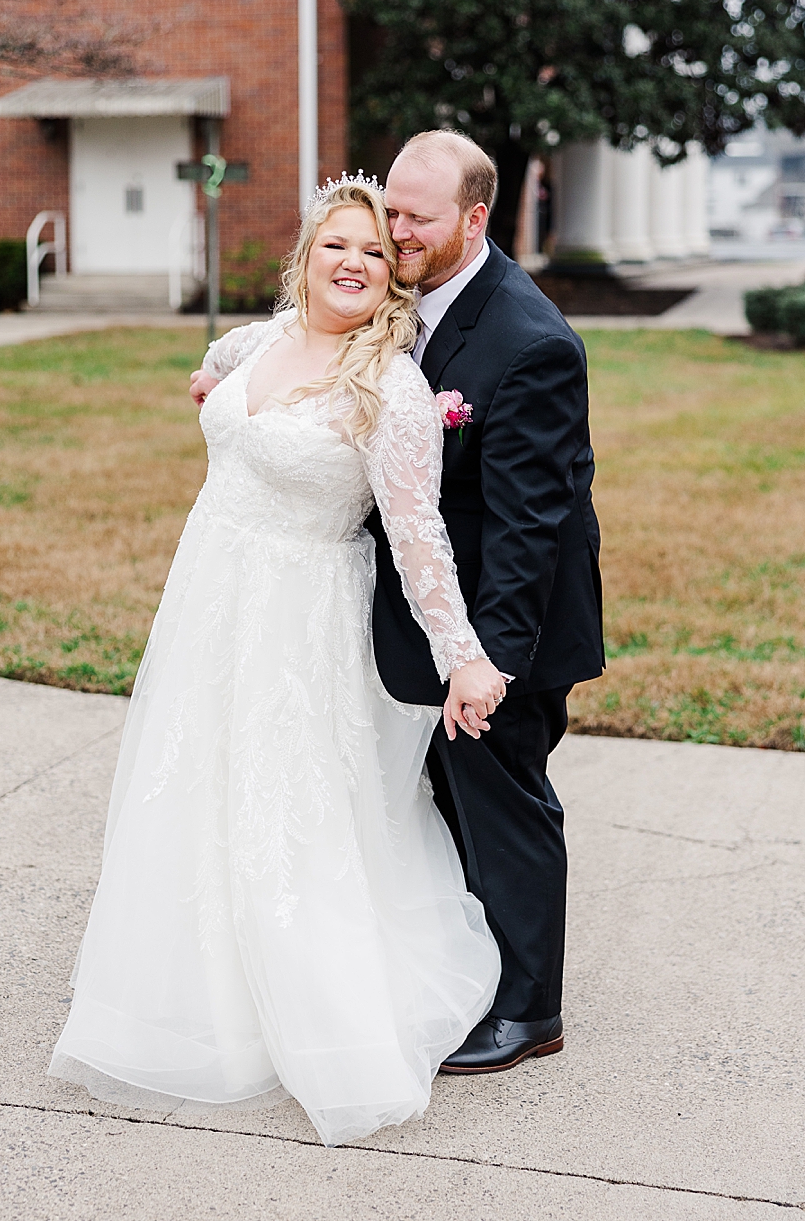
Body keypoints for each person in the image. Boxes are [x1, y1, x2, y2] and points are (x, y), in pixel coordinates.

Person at [50, 176, 503, 1149]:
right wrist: (211, 391)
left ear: (394, 279)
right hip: (212, 593)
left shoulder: (391, 387)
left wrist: (463, 658)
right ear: (305, 256)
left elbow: (421, 539)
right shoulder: (260, 341)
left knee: (282, 809)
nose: (355, 263)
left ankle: (302, 1013)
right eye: (338, 244)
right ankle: (185, 990)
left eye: (377, 253)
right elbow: (219, 369)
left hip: (300, 619)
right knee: (193, 786)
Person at [370, 131, 604, 1074]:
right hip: (437, 622)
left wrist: (490, 667)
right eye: (390, 210)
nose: (395, 232)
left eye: (416, 218)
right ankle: (475, 970)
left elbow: (528, 528)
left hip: (509, 628)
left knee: (505, 805)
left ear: (475, 217)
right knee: (450, 802)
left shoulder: (531, 342)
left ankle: (528, 1011)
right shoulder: (407, 295)